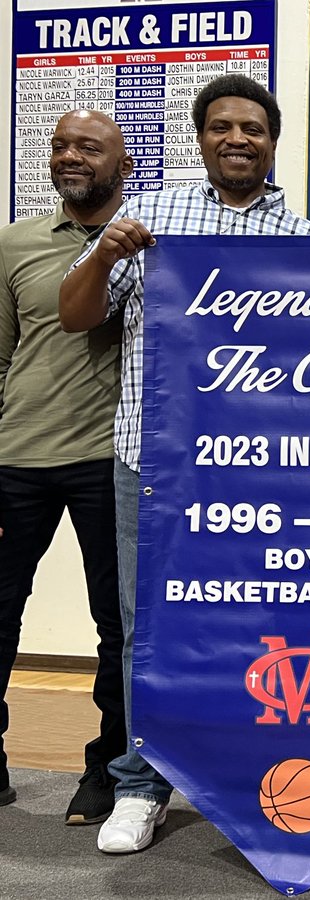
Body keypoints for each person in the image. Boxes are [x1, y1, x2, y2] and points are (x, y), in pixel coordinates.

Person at [59, 74, 310, 855]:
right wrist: (105, 252)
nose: (238, 139)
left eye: (253, 128)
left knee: (261, 629)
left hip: (261, 473)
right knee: (150, 633)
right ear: (201, 137)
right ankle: (141, 785)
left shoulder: (307, 242)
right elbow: (78, 318)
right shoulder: (147, 219)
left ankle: (245, 785)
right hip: (156, 462)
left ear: (273, 143)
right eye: (222, 126)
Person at [0, 109, 131, 825]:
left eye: (88, 146)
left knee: (116, 625)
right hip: (14, 459)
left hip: (109, 462)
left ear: (126, 166)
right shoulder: (14, 243)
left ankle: (107, 771)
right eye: (58, 146)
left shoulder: (151, 244)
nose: (68, 156)